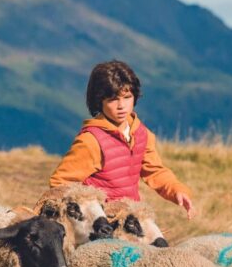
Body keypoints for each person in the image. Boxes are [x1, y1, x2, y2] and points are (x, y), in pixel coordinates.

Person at [50, 60, 195, 219]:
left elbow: (155, 171)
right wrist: (88, 215)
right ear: (99, 101)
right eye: (112, 99)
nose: (121, 106)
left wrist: (177, 190)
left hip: (132, 217)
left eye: (127, 97)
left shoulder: (141, 133)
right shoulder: (90, 140)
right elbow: (60, 183)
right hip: (101, 223)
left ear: (134, 97)